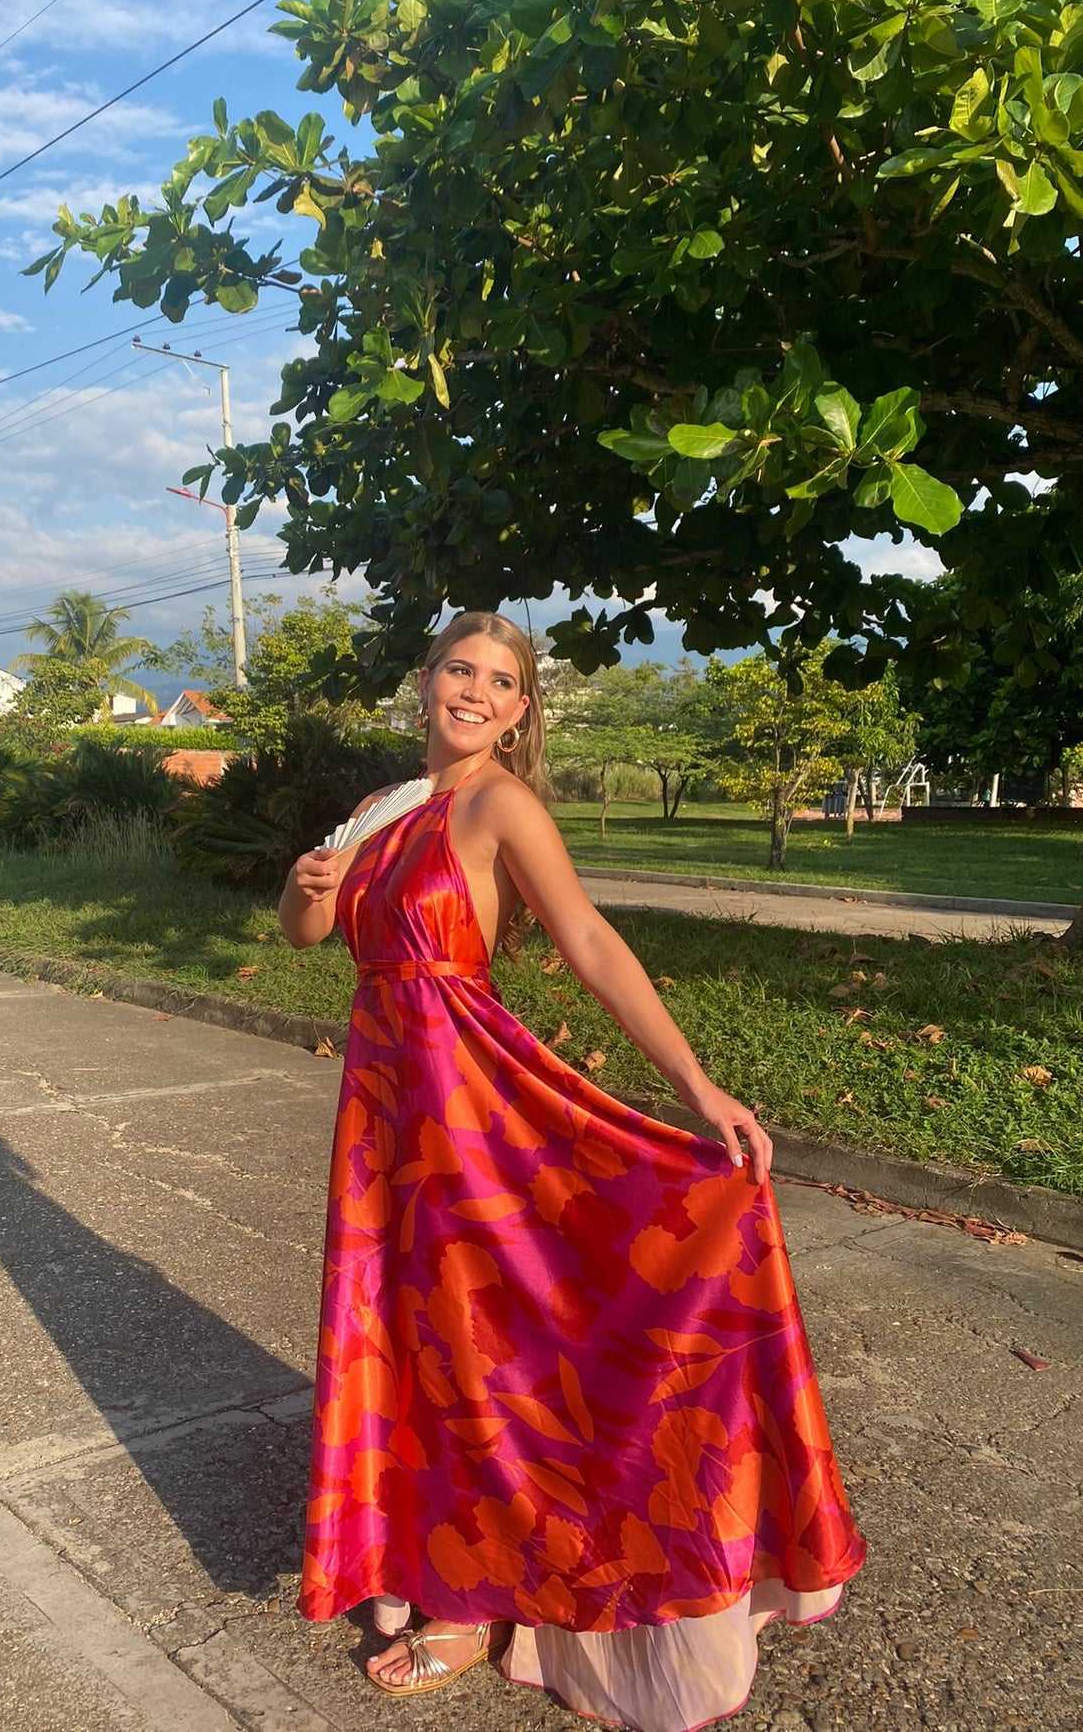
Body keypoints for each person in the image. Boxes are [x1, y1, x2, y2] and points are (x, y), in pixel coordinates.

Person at [278, 611, 865, 1730]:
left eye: (499, 681)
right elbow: (312, 937)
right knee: (406, 1331)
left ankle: (465, 1599)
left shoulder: (500, 805)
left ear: (517, 709)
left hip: (471, 1108)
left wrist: (697, 1087)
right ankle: (435, 1553)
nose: (473, 691)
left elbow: (587, 936)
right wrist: (312, 886)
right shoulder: (374, 810)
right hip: (383, 1112)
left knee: (473, 1338)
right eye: (459, 667)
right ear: (425, 679)